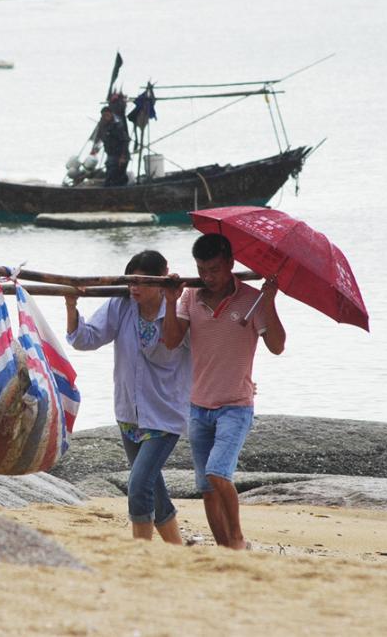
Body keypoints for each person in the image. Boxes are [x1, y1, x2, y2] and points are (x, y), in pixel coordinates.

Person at [162, 233, 285, 550]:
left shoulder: (251, 299)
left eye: (214, 269)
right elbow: (172, 341)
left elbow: (277, 346)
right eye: (202, 269)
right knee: (205, 486)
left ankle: (237, 540)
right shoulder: (190, 297)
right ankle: (224, 549)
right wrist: (169, 299)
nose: (207, 277)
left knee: (218, 473)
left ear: (230, 264)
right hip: (198, 406)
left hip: (235, 406)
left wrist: (269, 302)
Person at [65, 250, 191, 544]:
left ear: (160, 282)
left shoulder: (180, 308)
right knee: (151, 485)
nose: (135, 288)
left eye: (143, 282)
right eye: (131, 280)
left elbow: (175, 341)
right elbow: (86, 339)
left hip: (164, 413)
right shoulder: (120, 305)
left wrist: (172, 302)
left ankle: (140, 551)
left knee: (137, 485)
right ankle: (177, 547)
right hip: (128, 412)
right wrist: (72, 305)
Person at [91, 99, 131, 187]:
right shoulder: (104, 126)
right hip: (111, 155)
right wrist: (95, 149)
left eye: (107, 115)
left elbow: (125, 141)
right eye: (104, 116)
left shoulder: (117, 126)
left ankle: (119, 193)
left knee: (116, 177)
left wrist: (123, 157)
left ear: (111, 114)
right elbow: (101, 139)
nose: (106, 117)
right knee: (111, 177)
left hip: (120, 156)